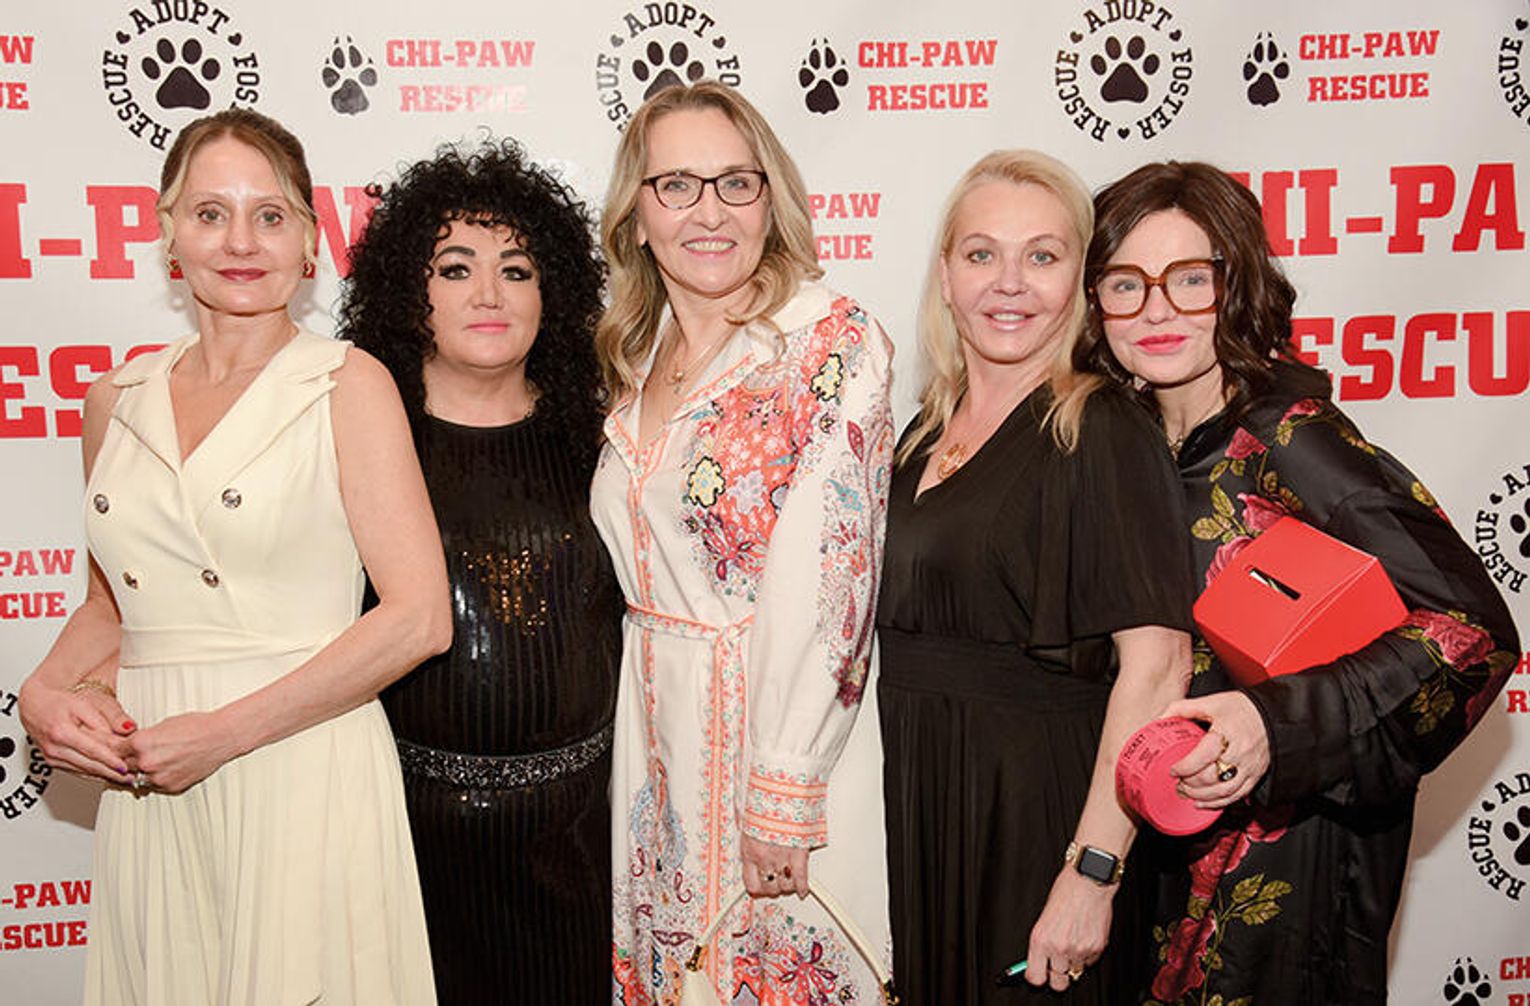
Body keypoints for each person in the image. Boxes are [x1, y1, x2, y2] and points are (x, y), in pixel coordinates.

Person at [17, 108, 445, 1004]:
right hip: (153, 778)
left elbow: (417, 618)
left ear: (310, 241)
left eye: (270, 215)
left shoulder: (346, 384)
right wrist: (45, 690)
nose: (240, 242)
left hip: (299, 762)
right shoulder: (115, 400)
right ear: (169, 233)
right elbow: (114, 603)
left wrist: (221, 735)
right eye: (210, 213)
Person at [1077, 160, 1520, 1005]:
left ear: (1238, 285)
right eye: (1126, 284)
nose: (1157, 310)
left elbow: (1473, 630)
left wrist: (1273, 723)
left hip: (1274, 873)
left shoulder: (1288, 435)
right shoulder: (1121, 448)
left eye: (1190, 279)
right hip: (1148, 853)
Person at [590, 80, 895, 1005]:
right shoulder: (635, 353)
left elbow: (833, 581)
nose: (710, 211)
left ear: (772, 199)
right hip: (655, 746)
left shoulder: (828, 343)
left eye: (736, 183)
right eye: (676, 185)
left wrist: (784, 789)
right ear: (638, 214)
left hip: (777, 738)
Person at [875, 149, 1196, 1005]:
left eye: (1042, 256)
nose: (1009, 283)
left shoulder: (1102, 428)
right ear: (947, 276)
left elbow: (1159, 667)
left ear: (1079, 284)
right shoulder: (921, 434)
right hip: (924, 812)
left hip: (1037, 821)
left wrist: (1092, 872)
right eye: (982, 254)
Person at [339, 138, 623, 1004]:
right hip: (403, 839)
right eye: (456, 268)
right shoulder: (354, 442)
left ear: (553, 291)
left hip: (584, 841)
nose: (490, 294)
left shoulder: (612, 440)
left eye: (517, 269)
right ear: (408, 290)